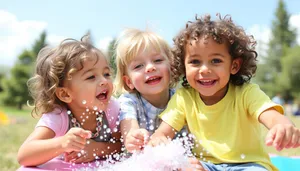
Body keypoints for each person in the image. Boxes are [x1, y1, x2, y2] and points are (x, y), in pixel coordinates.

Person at [148, 14, 300, 171]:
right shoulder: (184, 97)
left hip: (248, 165)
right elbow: (162, 133)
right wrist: (158, 141)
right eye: (195, 62)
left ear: (233, 66)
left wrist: (282, 126)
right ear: (184, 66)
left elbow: (273, 118)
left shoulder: (246, 93)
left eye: (216, 61)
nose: (205, 69)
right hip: (205, 166)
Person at [17, 36, 122, 167]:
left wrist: (98, 149)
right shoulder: (58, 116)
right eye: (91, 77)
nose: (105, 81)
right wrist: (62, 143)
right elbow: (24, 156)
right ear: (65, 94)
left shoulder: (112, 108)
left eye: (106, 74)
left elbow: (122, 145)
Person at [114, 28, 185, 153]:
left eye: (158, 60)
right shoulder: (129, 101)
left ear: (172, 67)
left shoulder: (181, 98)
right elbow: (129, 126)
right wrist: (133, 136)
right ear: (129, 82)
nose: (150, 68)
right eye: (138, 66)